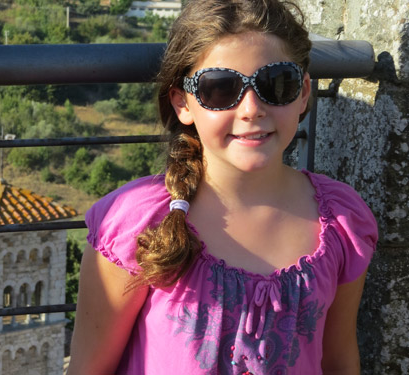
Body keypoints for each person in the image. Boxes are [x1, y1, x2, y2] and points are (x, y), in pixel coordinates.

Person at [67, 0, 378, 374]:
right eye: (219, 88)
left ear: (304, 92)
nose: (251, 109)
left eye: (276, 84)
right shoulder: (137, 224)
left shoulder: (343, 223)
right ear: (182, 102)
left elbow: (340, 361)